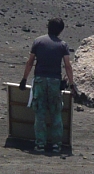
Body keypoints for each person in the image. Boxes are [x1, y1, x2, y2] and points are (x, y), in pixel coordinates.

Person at [20, 18, 75, 153]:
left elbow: (30, 62)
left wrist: (24, 79)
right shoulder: (63, 45)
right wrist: (72, 83)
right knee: (56, 112)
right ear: (60, 30)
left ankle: (40, 144)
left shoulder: (38, 41)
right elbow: (67, 66)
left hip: (40, 80)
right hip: (55, 81)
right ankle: (56, 144)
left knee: (40, 112)